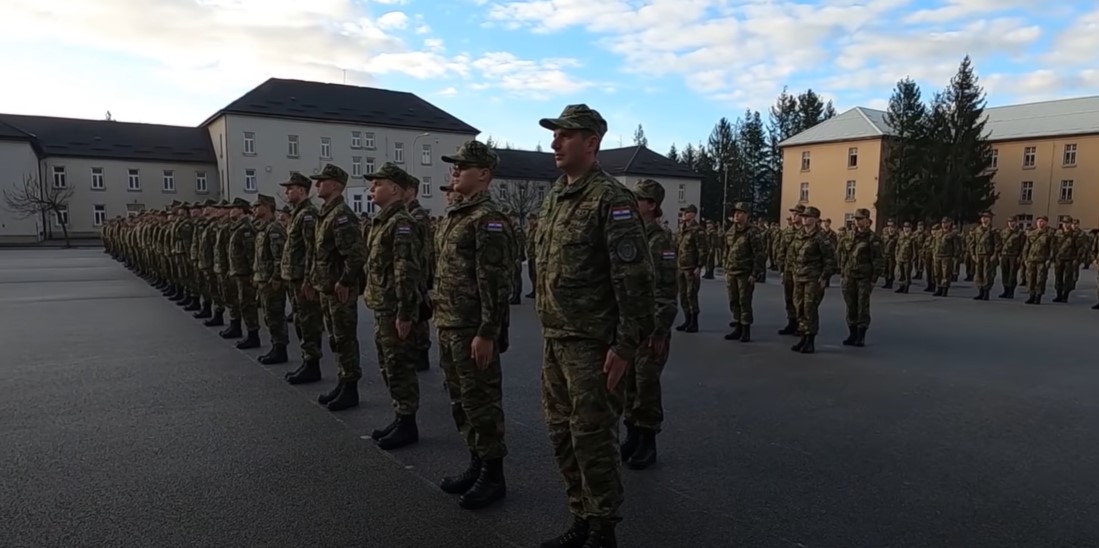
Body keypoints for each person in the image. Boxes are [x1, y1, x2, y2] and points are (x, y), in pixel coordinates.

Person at [534, 104, 655, 548]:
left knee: (593, 440)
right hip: (557, 339)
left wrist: (625, 346)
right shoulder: (555, 195)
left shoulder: (611, 200)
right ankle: (581, 516)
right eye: (555, 135)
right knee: (561, 434)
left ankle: (603, 529)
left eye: (565, 135)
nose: (555, 143)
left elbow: (635, 280)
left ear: (591, 142)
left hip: (593, 344)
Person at [434, 140, 514, 509]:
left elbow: (495, 282)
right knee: (462, 400)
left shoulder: (488, 219)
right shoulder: (457, 215)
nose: (454, 171)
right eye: (454, 165)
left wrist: (487, 332)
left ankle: (493, 475)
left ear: (483, 174)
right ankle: (476, 462)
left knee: (481, 401)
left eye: (461, 166)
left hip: (472, 329)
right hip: (450, 323)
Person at [363, 162, 425, 447]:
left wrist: (405, 312)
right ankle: (400, 417)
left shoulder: (402, 223)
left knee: (399, 365)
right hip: (383, 307)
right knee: (388, 365)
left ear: (395, 189)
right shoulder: (384, 221)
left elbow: (406, 271)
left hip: (394, 309)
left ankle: (408, 422)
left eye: (377, 184)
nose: (371, 189)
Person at [620, 178, 678, 471]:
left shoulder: (660, 241)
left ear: (652, 205)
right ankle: (632, 435)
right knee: (629, 382)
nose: (632, 204)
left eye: (638, 199)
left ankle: (648, 441)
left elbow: (667, 290)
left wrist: (659, 330)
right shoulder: (633, 235)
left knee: (646, 384)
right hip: (630, 326)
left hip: (651, 327)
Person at [310, 164, 367, 412]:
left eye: (321, 181)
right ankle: (343, 382)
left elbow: (355, 254)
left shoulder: (342, 215)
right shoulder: (326, 213)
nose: (317, 185)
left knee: (345, 339)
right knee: (335, 339)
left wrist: (345, 281)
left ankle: (350, 387)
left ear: (335, 184)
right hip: (327, 286)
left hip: (339, 288)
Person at [281, 173, 325, 384]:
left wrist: (309, 279)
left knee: (309, 321)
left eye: (291, 188)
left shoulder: (308, 214)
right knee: (300, 320)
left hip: (303, 278)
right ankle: (307, 361)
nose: (286, 192)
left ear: (302, 190)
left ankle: (312, 365)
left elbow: (311, 250)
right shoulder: (298, 213)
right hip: (295, 277)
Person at [788, 206, 835, 354]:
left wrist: (824, 277)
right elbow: (792, 254)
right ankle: (803, 336)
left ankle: (810, 340)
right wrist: (792, 271)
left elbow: (830, 259)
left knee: (810, 309)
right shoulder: (799, 235)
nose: (804, 219)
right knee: (799, 307)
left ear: (815, 219)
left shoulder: (821, 238)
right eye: (803, 217)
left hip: (813, 279)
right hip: (799, 277)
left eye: (808, 217)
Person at [251, 194, 289, 364]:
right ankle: (276, 346)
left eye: (257, 206)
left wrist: (276, 278)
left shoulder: (274, 229)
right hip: (263, 279)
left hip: (271, 281)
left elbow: (279, 257)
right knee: (269, 315)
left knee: (275, 315)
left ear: (267, 207)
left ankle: (280, 349)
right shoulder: (263, 229)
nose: (254, 209)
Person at [721, 202, 766, 342]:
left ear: (746, 215)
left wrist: (755, 273)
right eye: (735, 212)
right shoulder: (730, 231)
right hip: (731, 272)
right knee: (733, 300)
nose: (736, 215)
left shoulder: (752, 232)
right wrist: (725, 268)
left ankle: (746, 329)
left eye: (740, 212)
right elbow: (726, 251)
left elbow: (759, 254)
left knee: (744, 301)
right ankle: (737, 326)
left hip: (745, 273)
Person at [838, 208, 883, 347]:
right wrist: (842, 273)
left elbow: (878, 260)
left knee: (862, 306)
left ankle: (861, 335)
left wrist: (874, 279)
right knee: (850, 305)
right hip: (849, 276)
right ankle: (852, 333)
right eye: (856, 219)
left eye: (860, 219)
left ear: (867, 221)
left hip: (864, 277)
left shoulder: (873, 238)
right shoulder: (848, 236)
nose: (857, 222)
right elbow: (842, 255)